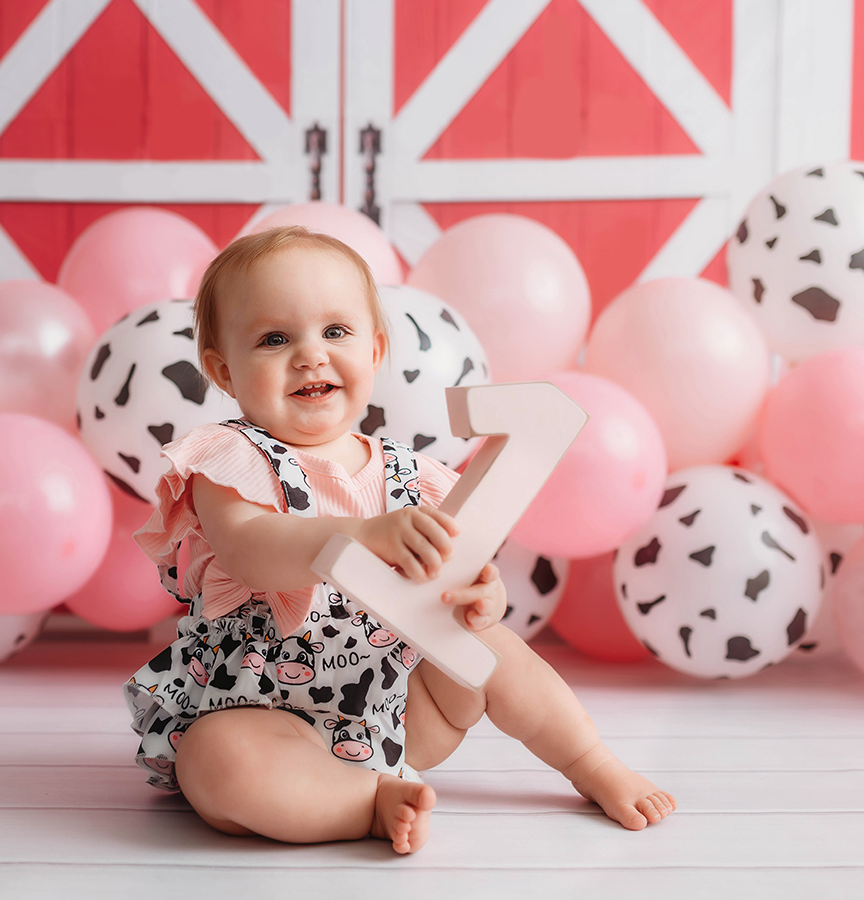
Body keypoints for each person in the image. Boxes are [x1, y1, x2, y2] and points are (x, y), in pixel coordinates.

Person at [125, 226, 675, 854]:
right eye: (275, 339)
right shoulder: (231, 460)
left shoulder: (413, 476)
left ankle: (590, 761)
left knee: (488, 645)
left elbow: (455, 577)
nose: (310, 355)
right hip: (262, 709)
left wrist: (479, 599)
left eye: (336, 332)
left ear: (377, 350)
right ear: (224, 369)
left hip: (397, 706)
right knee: (220, 768)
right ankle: (364, 804)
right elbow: (253, 549)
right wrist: (361, 534)